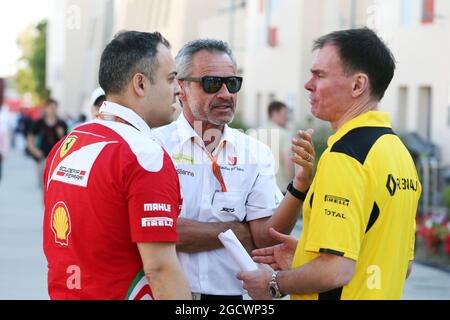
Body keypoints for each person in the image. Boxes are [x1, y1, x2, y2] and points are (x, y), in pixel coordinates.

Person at [238, 28, 422, 300]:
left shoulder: (345, 155)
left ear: (358, 85)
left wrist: (274, 281)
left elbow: (335, 271)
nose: (308, 84)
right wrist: (307, 256)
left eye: (319, 75)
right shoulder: (398, 152)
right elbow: (398, 265)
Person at [153, 39, 315, 300]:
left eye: (233, 83)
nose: (226, 93)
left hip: (231, 297)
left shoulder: (255, 152)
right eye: (212, 83)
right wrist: (238, 231)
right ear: (180, 87)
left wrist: (298, 186)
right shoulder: (154, 146)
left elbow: (265, 240)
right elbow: (160, 231)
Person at [43, 31, 191, 300]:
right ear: (141, 84)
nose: (179, 89)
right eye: (171, 79)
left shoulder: (68, 143)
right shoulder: (145, 155)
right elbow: (160, 269)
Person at [27, 99, 68, 190]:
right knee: (43, 185)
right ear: (45, 109)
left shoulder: (61, 124)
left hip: (57, 159)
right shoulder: (39, 123)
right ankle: (45, 203)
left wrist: (61, 135)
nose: (52, 110)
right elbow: (30, 139)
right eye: (50, 108)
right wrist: (36, 151)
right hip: (43, 157)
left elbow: (67, 143)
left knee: (55, 185)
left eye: (54, 108)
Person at [265, 101, 294, 193]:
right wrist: (293, 185)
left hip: (260, 187)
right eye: (284, 114)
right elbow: (287, 162)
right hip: (280, 187)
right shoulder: (284, 134)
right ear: (274, 114)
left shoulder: (255, 133)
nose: (287, 118)